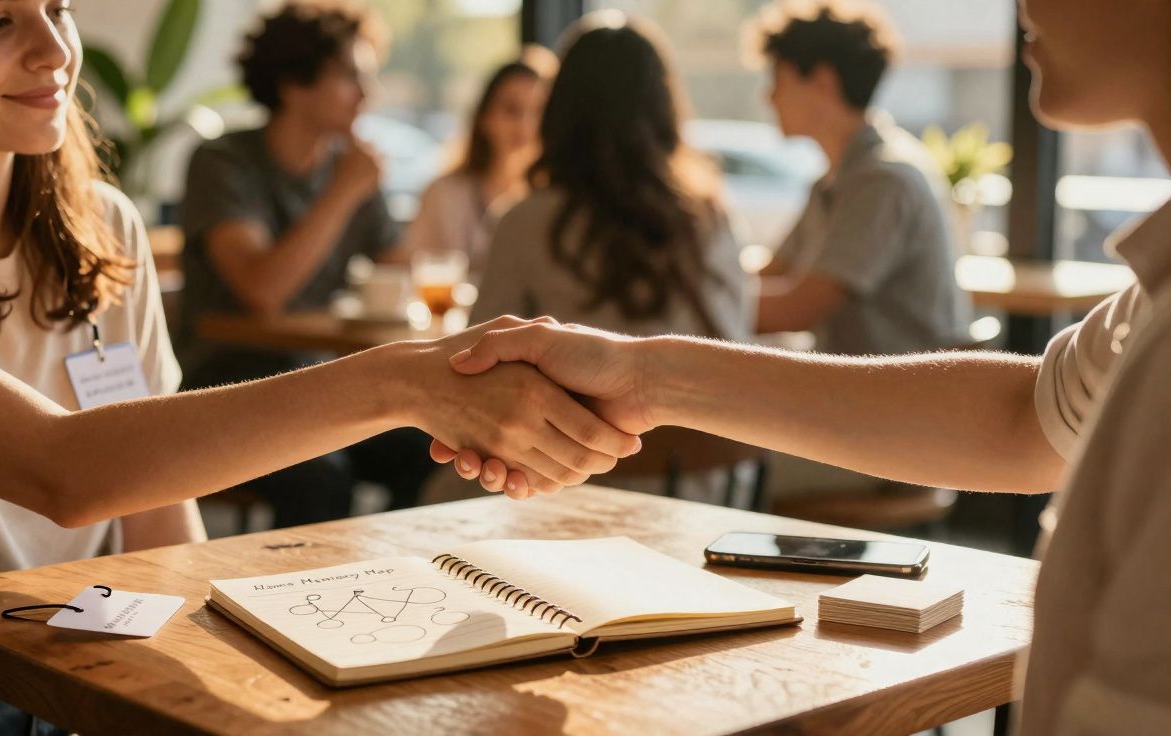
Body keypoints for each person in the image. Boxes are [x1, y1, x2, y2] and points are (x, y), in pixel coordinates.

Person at [0, 1, 640, 731]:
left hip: (72, 637)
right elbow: (61, 469)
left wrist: (205, 656)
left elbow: (156, 506)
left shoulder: (101, 227)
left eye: (58, 7)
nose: (55, 48)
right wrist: (403, 380)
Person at [434, 0, 1171, 729]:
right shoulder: (753, 200)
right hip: (708, 463)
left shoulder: (880, 179)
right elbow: (1028, 414)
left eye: (777, 76)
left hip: (785, 476)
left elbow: (793, 301)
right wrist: (642, 370)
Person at [452, 13, 750, 502]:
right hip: (705, 492)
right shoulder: (713, 218)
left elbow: (479, 362)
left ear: (559, 110)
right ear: (664, 109)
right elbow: (738, 350)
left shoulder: (527, 220)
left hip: (563, 485)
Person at [174, 2, 432, 527]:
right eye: (349, 77)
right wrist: (343, 194)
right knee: (321, 475)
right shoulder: (224, 162)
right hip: (227, 388)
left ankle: (394, 583)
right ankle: (296, 604)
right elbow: (262, 290)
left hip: (319, 378)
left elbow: (402, 273)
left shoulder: (349, 168)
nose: (367, 95)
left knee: (428, 448)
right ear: (293, 85)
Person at [749, 1, 970, 356]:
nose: (769, 96)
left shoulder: (884, 180)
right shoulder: (837, 179)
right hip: (858, 392)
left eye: (778, 79)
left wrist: (685, 302)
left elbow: (797, 308)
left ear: (822, 83)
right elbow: (773, 273)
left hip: (905, 400)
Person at [391, 46, 557, 272]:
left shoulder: (551, 199)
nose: (525, 126)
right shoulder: (444, 193)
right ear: (484, 117)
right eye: (511, 110)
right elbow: (413, 268)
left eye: (538, 112)